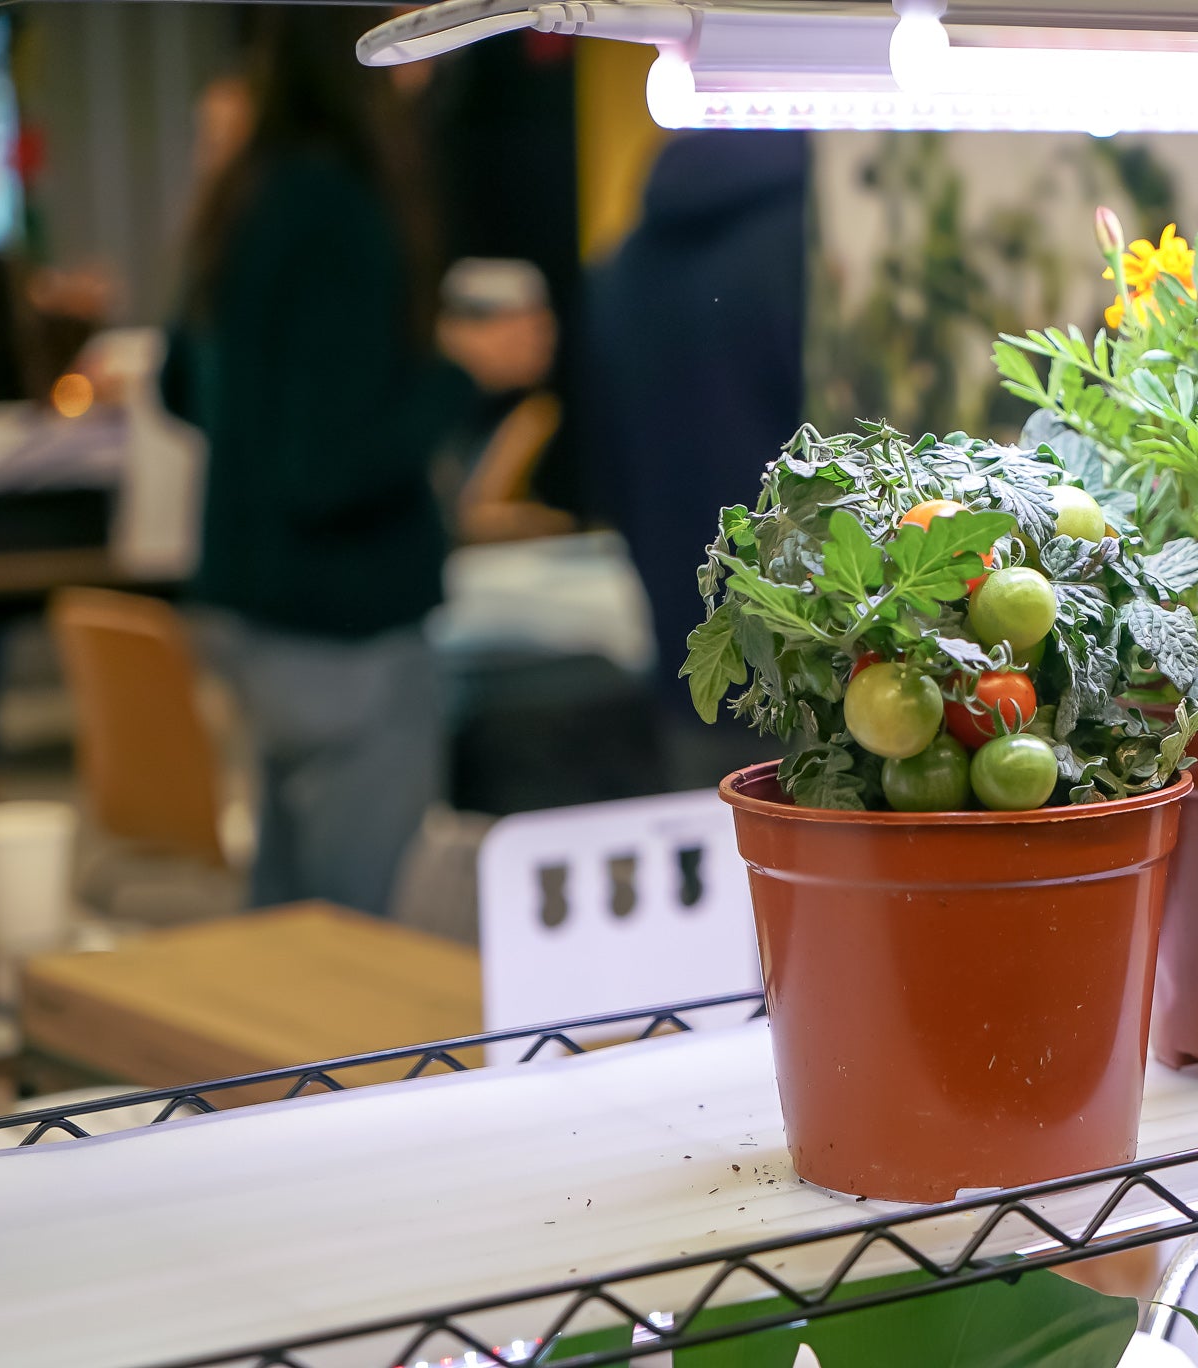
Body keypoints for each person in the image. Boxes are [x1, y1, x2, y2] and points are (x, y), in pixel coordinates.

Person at [160, 11, 541, 915]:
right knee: (357, 948)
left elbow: (181, 386)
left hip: (253, 621)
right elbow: (326, 465)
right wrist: (462, 372)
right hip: (344, 632)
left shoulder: (249, 187)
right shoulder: (344, 208)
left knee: (288, 925)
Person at [582, 130, 809, 789]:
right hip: (823, 655)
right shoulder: (814, 247)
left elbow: (603, 466)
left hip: (686, 641)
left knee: (718, 864)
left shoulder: (621, 262)